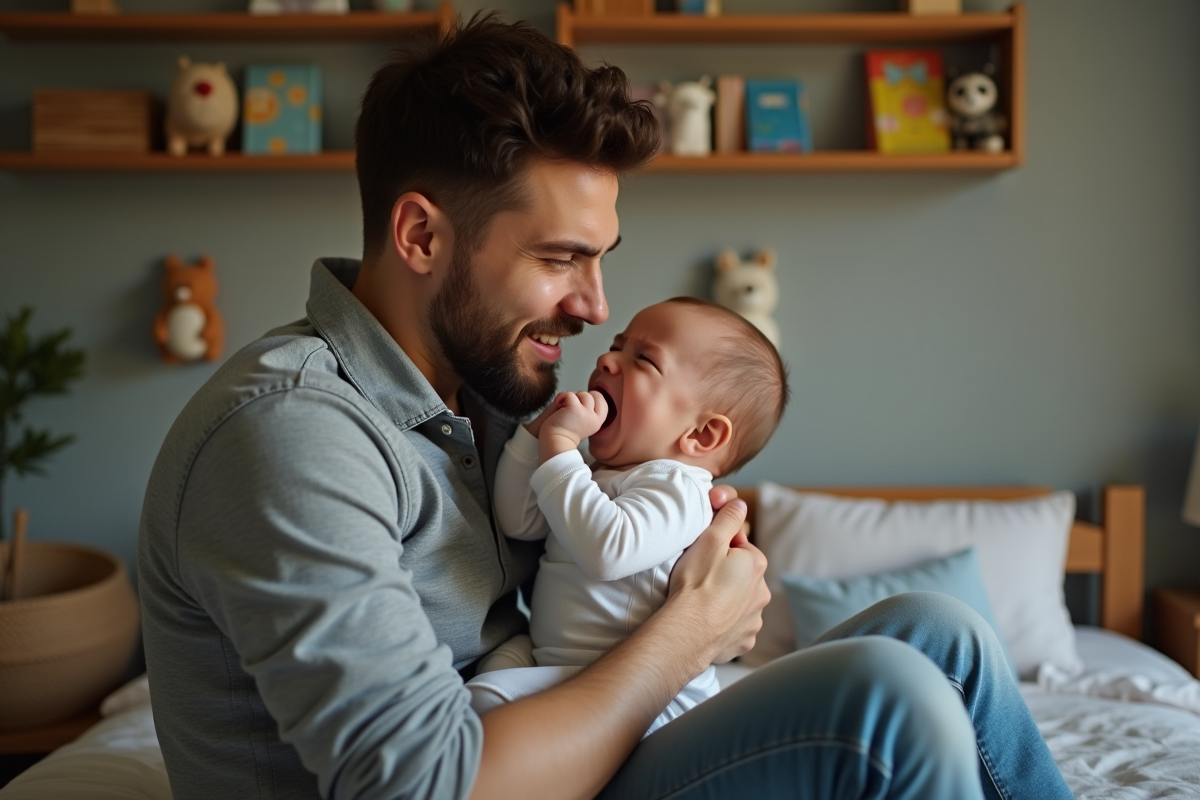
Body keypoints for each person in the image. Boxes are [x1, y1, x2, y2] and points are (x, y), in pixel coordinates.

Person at [137, 13, 1075, 800]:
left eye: (600, 257)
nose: (594, 307)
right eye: (558, 259)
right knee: (889, 698)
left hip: (574, 751)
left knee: (941, 636)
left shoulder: (480, 397)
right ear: (421, 234)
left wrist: (697, 555)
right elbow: (423, 785)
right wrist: (689, 635)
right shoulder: (294, 433)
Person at [467, 298, 788, 738]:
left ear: (701, 434)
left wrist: (560, 447)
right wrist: (534, 437)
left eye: (644, 360)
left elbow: (609, 551)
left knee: (485, 699)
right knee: (493, 662)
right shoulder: (594, 474)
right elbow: (518, 522)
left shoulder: (677, 488)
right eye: (618, 346)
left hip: (653, 702)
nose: (607, 359)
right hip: (570, 664)